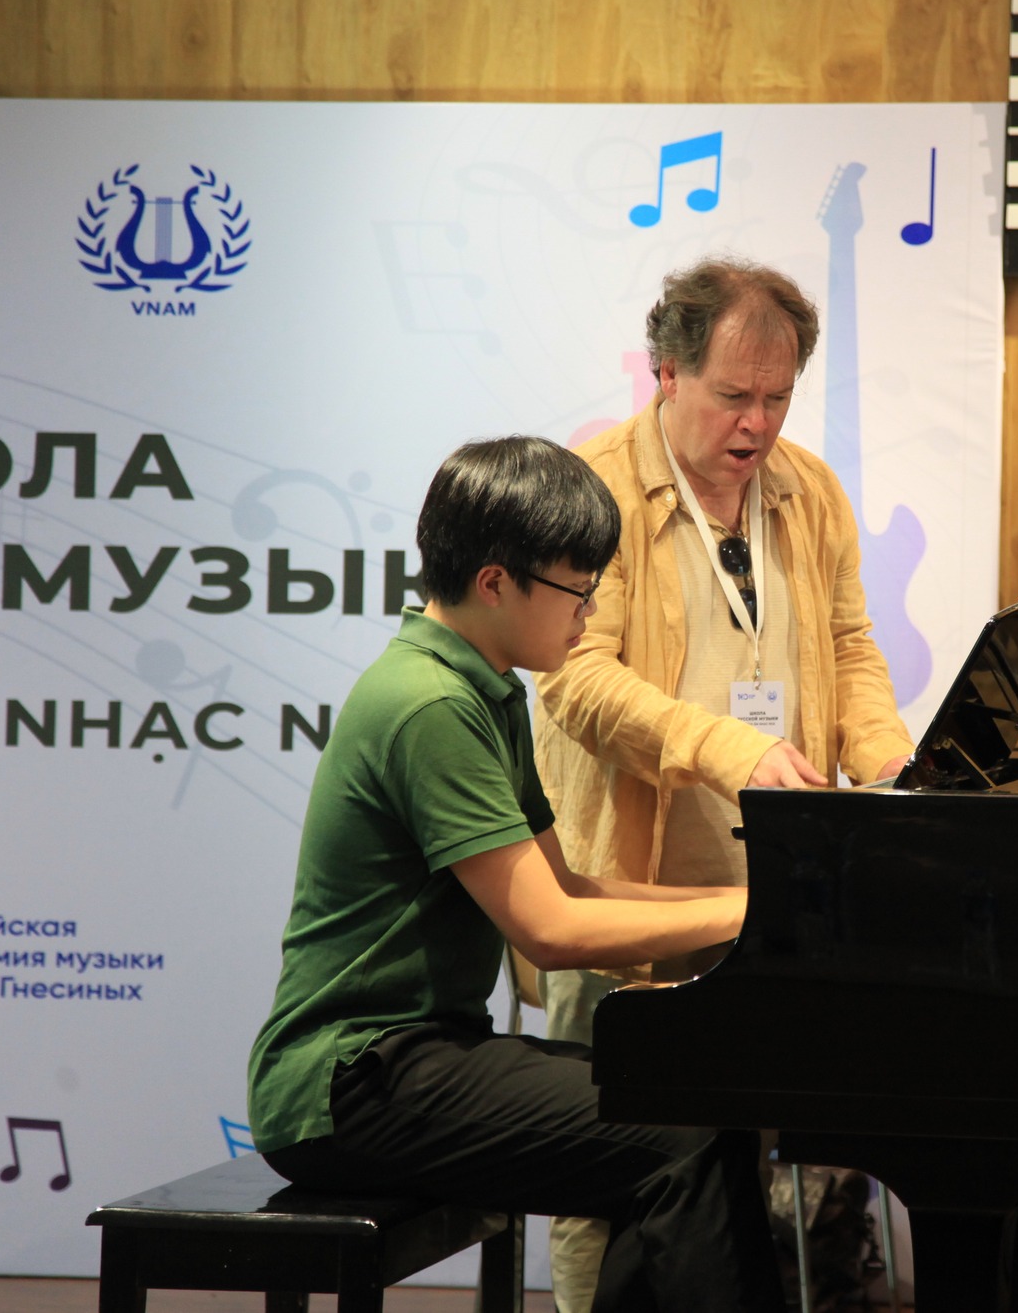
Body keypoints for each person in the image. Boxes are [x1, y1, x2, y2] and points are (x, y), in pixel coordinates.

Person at [246, 435, 784, 1313]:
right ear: (496, 582)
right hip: (352, 1077)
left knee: (681, 1112)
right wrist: (752, 912)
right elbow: (550, 931)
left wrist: (746, 900)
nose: (589, 613)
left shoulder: (483, 690)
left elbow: (568, 887)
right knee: (681, 1134)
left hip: (416, 1053)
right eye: (578, 589)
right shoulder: (427, 702)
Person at [532, 258, 917, 1308]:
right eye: (734, 395)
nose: (758, 423)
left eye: (778, 397)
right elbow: (574, 679)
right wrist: (728, 749)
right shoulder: (592, 489)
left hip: (771, 892)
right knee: (605, 1167)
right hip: (625, 890)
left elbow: (849, 647)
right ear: (666, 372)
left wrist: (889, 761)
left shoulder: (809, 489)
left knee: (750, 1162)